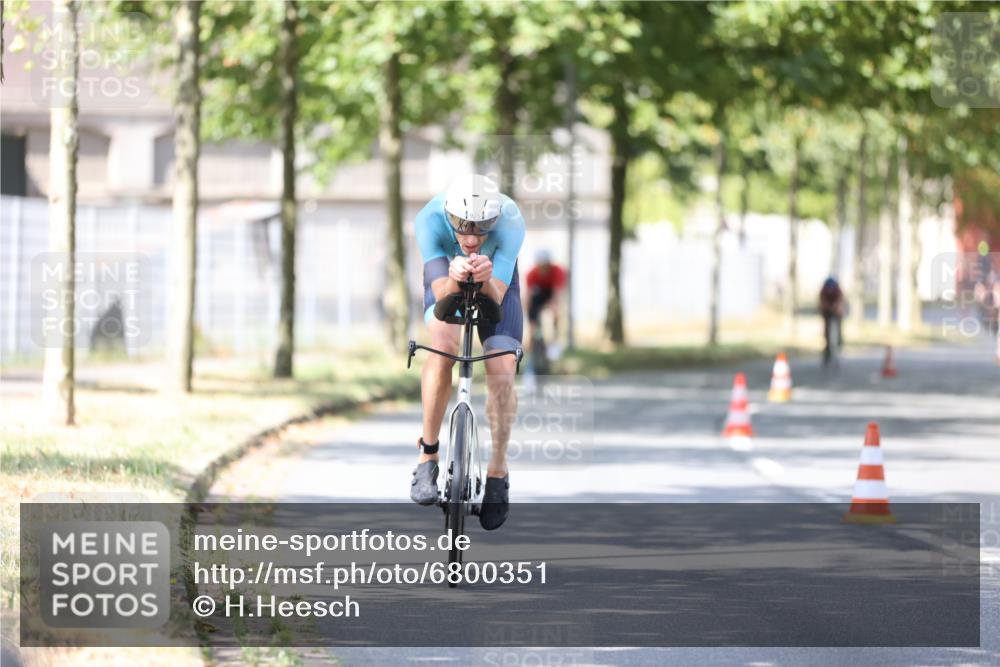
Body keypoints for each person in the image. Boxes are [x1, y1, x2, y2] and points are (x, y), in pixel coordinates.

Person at [409, 174, 525, 531]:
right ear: (449, 216)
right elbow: (441, 294)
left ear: (495, 221)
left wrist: (485, 278)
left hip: (496, 282)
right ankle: (428, 454)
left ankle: (498, 471)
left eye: (482, 229)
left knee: (502, 366)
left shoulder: (510, 220)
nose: (472, 239)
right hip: (446, 277)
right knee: (442, 346)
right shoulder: (429, 219)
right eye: (462, 227)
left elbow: (496, 296)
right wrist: (457, 277)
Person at [525, 249, 567, 354]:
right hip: (538, 294)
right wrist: (529, 313)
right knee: (532, 317)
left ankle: (555, 341)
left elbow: (557, 293)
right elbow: (529, 296)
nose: (543, 269)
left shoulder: (558, 271)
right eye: (541, 266)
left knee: (556, 311)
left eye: (545, 266)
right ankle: (532, 345)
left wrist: (554, 308)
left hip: (551, 292)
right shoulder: (531, 274)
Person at [819, 276, 845, 366]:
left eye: (831, 289)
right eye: (828, 289)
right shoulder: (823, 291)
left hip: (836, 311)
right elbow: (822, 302)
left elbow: (840, 301)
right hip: (827, 311)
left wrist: (837, 308)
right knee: (827, 331)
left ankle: (839, 342)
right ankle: (827, 352)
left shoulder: (838, 291)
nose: (830, 290)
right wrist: (826, 308)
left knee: (838, 327)